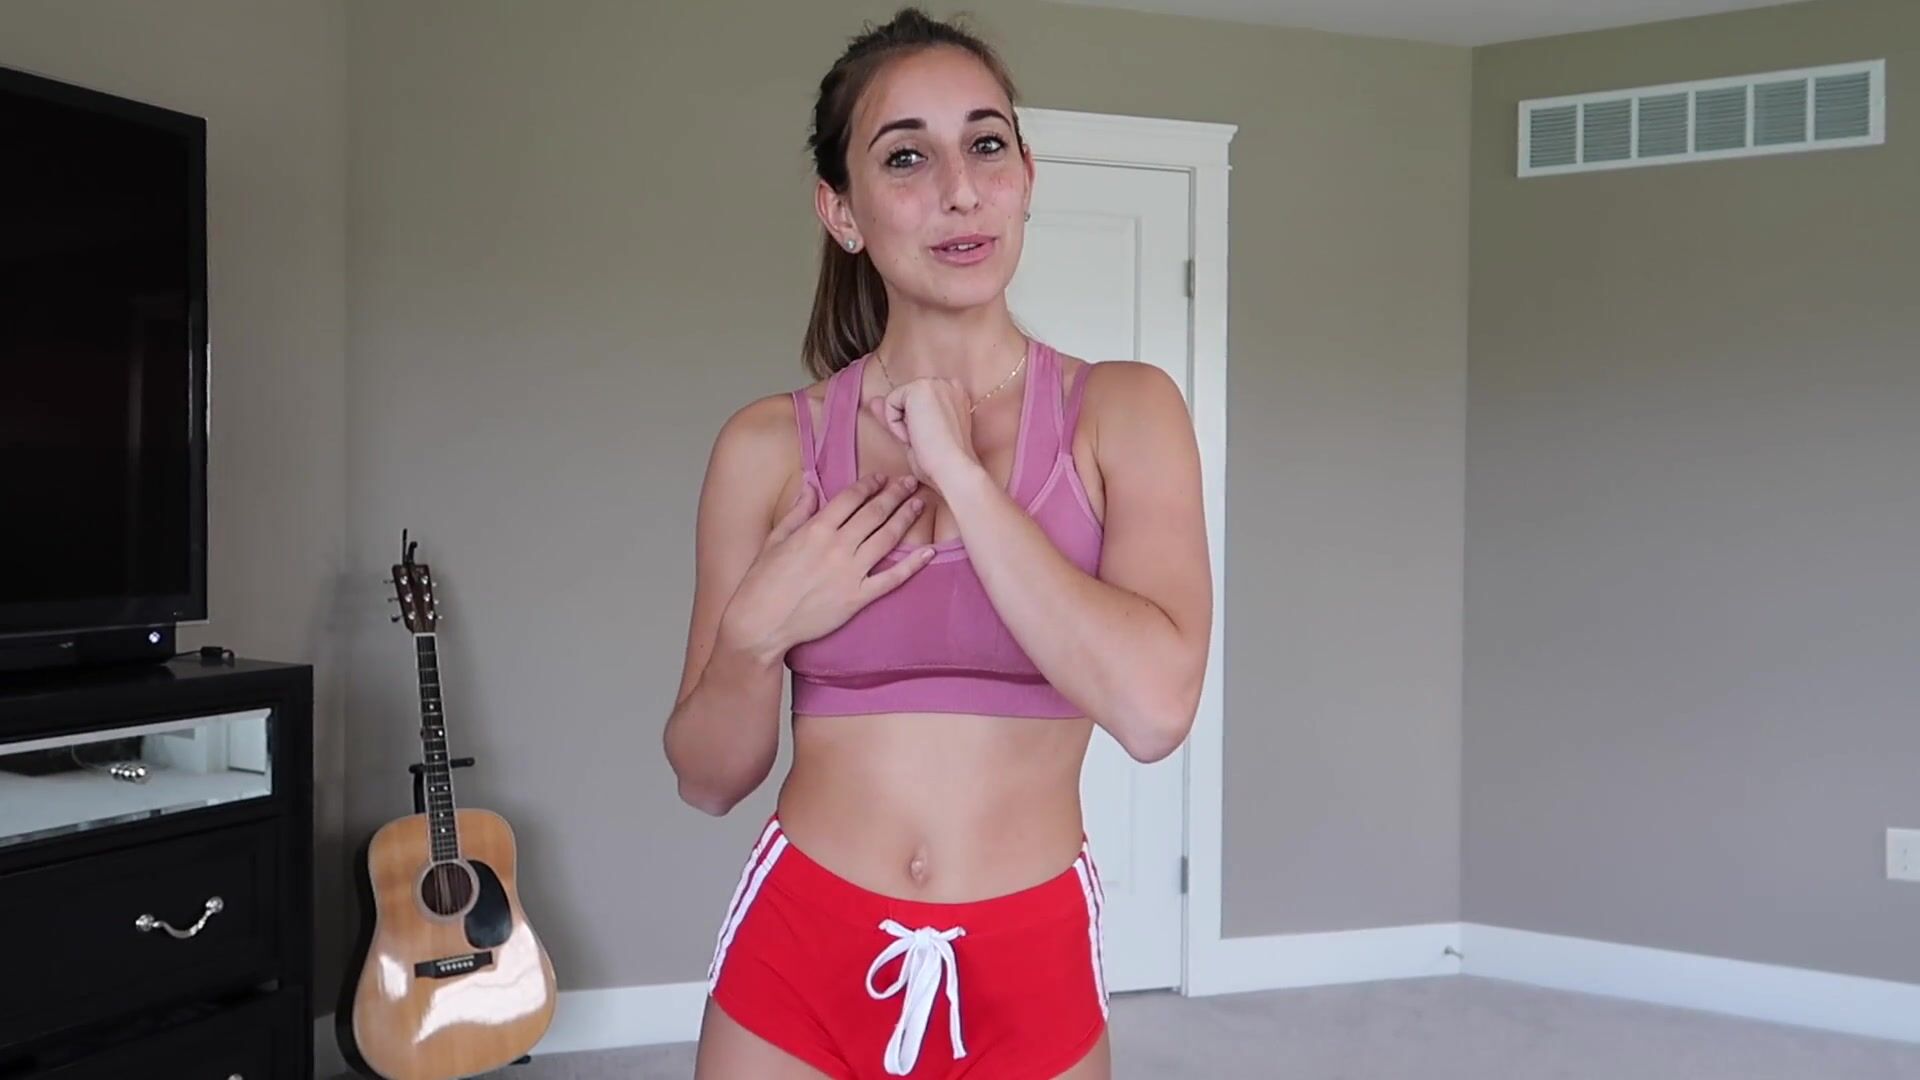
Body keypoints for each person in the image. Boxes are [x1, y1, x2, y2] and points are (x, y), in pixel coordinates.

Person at [663, 8, 1211, 1078]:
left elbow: (1154, 712)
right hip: (800, 952)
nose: (960, 189)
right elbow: (707, 779)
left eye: (987, 144)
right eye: (906, 156)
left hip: (1031, 959)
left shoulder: (1126, 412)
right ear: (843, 210)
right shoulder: (768, 446)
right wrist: (753, 637)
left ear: (1025, 177)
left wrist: (961, 472)